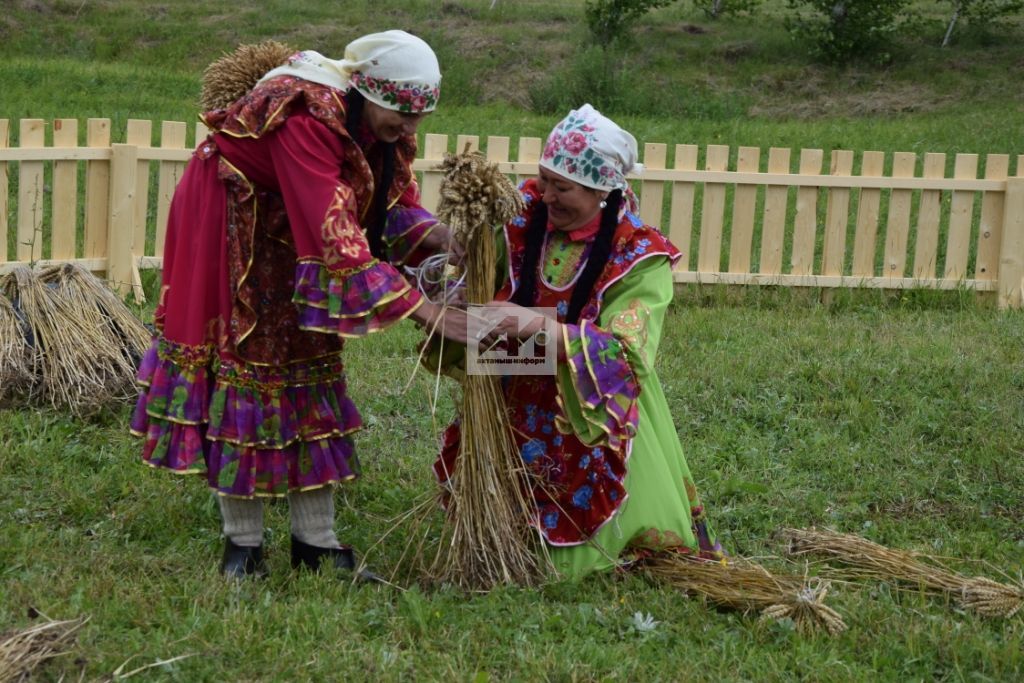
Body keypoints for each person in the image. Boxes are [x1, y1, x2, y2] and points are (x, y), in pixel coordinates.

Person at [131, 30, 469, 580]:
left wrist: (440, 237)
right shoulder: (306, 117)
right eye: (402, 114)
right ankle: (243, 546)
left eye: (419, 117)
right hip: (231, 215)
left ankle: (318, 544)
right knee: (249, 358)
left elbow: (388, 202)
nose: (410, 129)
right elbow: (337, 236)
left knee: (309, 356)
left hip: (292, 222)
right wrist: (429, 312)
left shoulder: (381, 128)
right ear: (366, 90)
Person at [433, 104, 723, 577]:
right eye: (543, 179)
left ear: (602, 190)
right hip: (515, 390)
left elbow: (627, 358)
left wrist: (536, 326)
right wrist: (464, 277)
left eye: (561, 186)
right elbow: (487, 279)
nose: (545, 195)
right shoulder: (524, 215)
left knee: (575, 558)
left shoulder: (639, 255)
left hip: (591, 411)